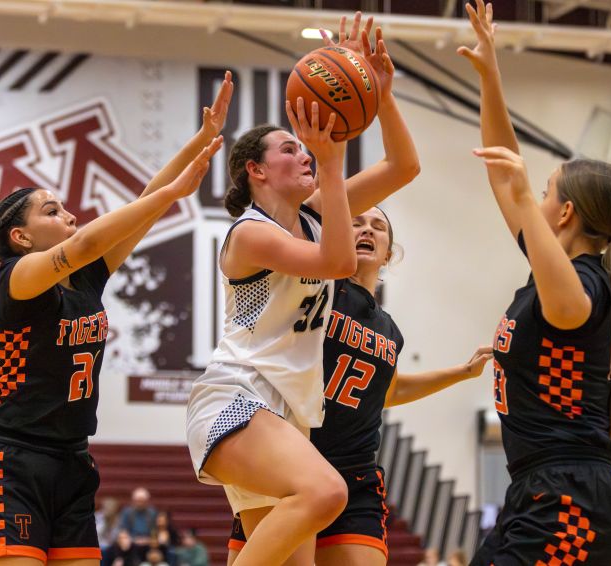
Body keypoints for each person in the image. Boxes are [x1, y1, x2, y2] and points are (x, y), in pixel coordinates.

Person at [0, 73, 232, 566]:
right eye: (52, 211)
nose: (70, 216)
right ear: (21, 237)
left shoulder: (84, 280)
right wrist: (170, 194)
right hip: (11, 461)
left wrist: (200, 140)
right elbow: (88, 241)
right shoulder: (16, 278)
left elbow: (143, 207)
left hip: (73, 459)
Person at [185, 10, 419, 566]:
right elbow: (337, 262)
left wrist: (381, 95)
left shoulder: (314, 216)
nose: (306, 153)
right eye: (289, 149)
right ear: (256, 172)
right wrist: (334, 165)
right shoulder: (249, 234)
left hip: (289, 413)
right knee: (326, 491)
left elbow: (404, 166)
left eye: (305, 148)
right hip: (238, 397)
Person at [459, 2, 611, 564]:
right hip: (541, 492)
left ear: (564, 214)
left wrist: (519, 192)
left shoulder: (585, 286)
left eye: (543, 193)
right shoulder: (553, 271)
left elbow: (569, 307)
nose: (532, 201)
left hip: (571, 500)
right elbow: (500, 170)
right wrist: (491, 75)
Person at [226, 208, 492, 566]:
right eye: (356, 223)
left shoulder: (389, 329)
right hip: (290, 465)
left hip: (355, 472)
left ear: (388, 254)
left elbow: (389, 392)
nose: (367, 230)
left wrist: (462, 372)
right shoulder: (314, 290)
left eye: (378, 227)